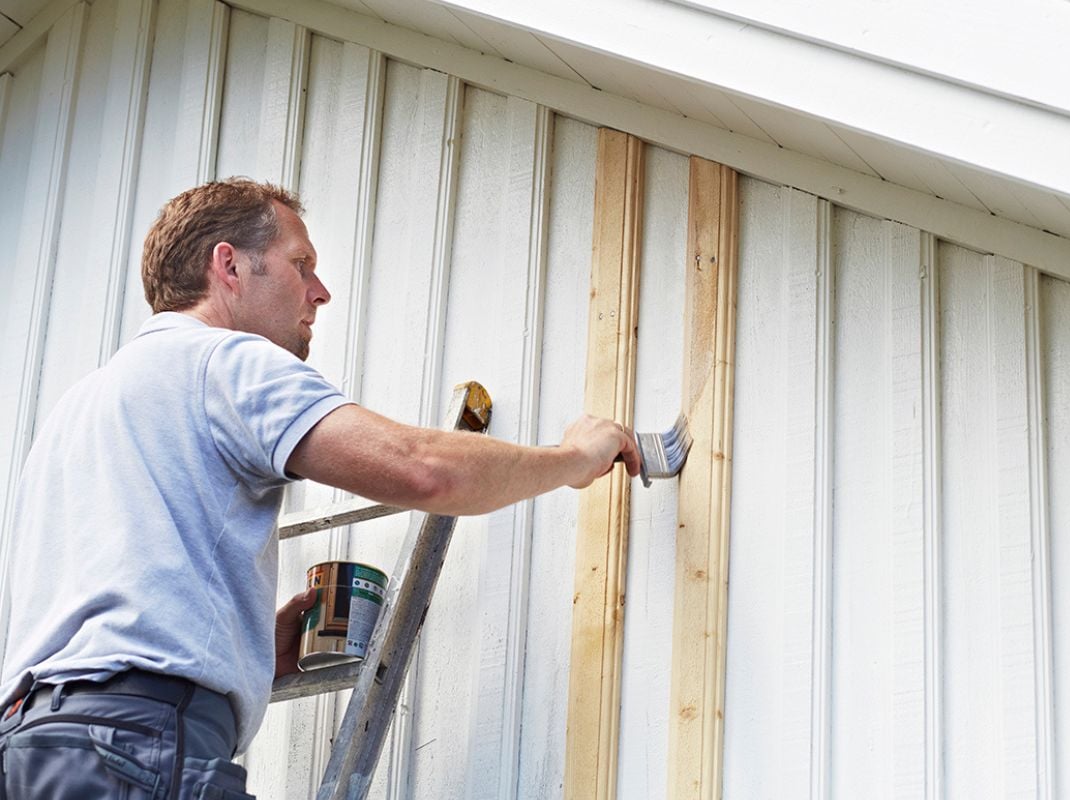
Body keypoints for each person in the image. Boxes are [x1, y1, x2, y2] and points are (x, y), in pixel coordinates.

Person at [0, 178, 641, 798]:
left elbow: (124, 596)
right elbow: (423, 468)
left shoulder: (74, 414)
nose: (321, 291)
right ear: (229, 266)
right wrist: (571, 457)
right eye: (299, 263)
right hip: (135, 746)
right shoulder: (224, 361)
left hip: (33, 748)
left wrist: (242, 645)